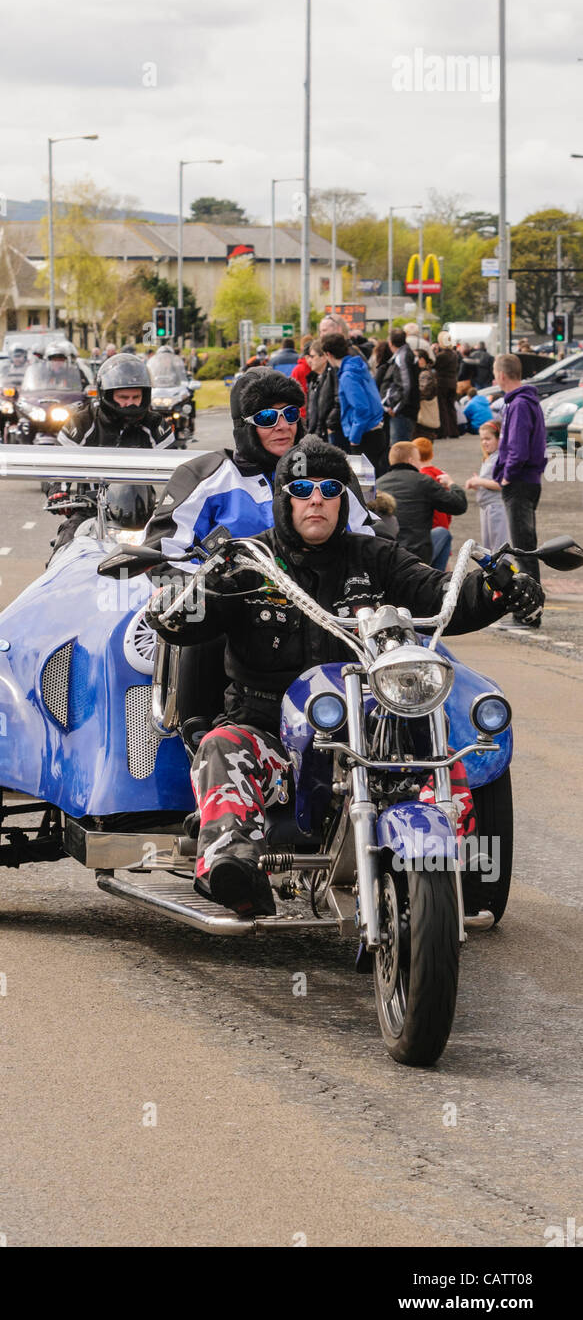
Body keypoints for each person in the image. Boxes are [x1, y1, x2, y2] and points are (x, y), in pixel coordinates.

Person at [146, 436, 542, 914]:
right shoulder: (250, 562)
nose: (316, 498)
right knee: (220, 746)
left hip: (370, 733)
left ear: (343, 500)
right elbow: (181, 624)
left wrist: (500, 591)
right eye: (303, 488)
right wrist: (190, 597)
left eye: (330, 488)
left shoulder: (375, 556)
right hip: (272, 736)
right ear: (283, 499)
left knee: (441, 752)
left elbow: (439, 594)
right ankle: (231, 867)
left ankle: (450, 864)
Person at [142, 367, 375, 562]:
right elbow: (162, 554)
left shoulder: (328, 471)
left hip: (320, 608)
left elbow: (370, 545)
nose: (283, 425)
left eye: (290, 413)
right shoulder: (202, 477)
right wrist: (212, 593)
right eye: (267, 418)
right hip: (232, 607)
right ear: (244, 426)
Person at [50, 352, 173, 550]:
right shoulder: (82, 422)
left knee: (180, 551)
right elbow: (60, 464)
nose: (130, 403)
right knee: (65, 546)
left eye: (136, 397)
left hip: (146, 511)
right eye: (123, 397)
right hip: (89, 510)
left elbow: (178, 470)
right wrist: (58, 492)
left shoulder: (156, 425)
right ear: (106, 394)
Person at [492, 352, 547, 629]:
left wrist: (507, 476)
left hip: (520, 481)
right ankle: (528, 611)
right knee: (525, 547)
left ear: (502, 375)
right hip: (528, 480)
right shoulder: (526, 402)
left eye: (494, 373)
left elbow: (518, 446)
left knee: (523, 550)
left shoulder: (519, 405)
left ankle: (527, 614)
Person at [377, 440, 467, 565]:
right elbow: (459, 505)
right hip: (416, 554)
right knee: (442, 533)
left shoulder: (379, 484)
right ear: (411, 461)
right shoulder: (423, 481)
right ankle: (435, 581)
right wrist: (451, 484)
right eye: (419, 460)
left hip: (386, 554)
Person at [319, 332, 386, 473]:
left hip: (364, 435)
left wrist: (354, 437)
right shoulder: (359, 367)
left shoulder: (347, 376)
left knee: (365, 487)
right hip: (374, 429)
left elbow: (361, 408)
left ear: (328, 354)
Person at [465, 420, 509, 554]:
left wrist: (479, 481)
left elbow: (501, 484)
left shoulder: (499, 458)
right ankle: (493, 573)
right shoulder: (489, 458)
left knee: (499, 546)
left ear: (498, 438)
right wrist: (478, 485)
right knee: (488, 547)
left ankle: (502, 573)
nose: (484, 442)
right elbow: (488, 482)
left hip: (496, 507)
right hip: (486, 507)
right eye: (482, 439)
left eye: (488, 439)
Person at [412, 436, 453, 569]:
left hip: (430, 524)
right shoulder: (441, 474)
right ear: (432, 454)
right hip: (443, 521)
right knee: (444, 558)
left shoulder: (419, 478)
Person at [383, 327, 420, 444]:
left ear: (390, 343)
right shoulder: (407, 353)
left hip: (403, 410)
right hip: (407, 408)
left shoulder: (402, 357)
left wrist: (395, 407)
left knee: (399, 447)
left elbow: (406, 384)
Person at [434, 331, 460, 439]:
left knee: (442, 407)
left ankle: (443, 431)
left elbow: (434, 365)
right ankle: (454, 431)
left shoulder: (441, 356)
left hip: (441, 382)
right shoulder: (454, 354)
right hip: (452, 382)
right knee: (451, 407)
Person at [414, 349, 441, 440]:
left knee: (423, 443)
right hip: (426, 417)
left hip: (424, 417)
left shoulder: (424, 374)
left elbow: (423, 392)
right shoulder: (428, 372)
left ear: (422, 359)